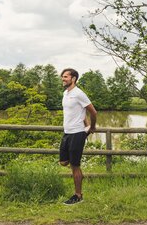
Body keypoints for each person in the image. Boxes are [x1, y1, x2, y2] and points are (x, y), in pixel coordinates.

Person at [59, 68, 97, 205]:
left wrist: (90, 128)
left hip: (77, 133)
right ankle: (79, 177)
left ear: (73, 78)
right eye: (62, 77)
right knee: (64, 162)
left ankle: (78, 195)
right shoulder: (66, 93)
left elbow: (93, 112)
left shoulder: (79, 93)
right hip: (67, 132)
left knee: (75, 165)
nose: (63, 79)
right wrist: (86, 123)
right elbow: (81, 112)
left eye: (65, 77)